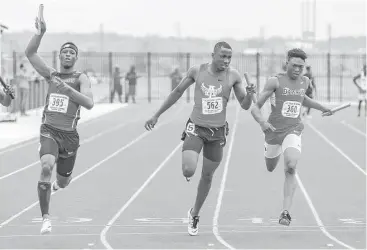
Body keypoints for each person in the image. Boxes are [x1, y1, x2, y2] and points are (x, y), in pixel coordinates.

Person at [144, 41, 256, 236]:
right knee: (188, 169)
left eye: (229, 57)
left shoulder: (234, 76)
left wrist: (250, 94)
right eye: (223, 56)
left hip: (217, 133)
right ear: (213, 55)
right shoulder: (198, 71)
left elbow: (245, 105)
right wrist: (157, 115)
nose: (226, 60)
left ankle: (194, 213)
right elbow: (177, 92)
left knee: (207, 175)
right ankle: (189, 164)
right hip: (196, 128)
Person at [25, 13, 94, 235]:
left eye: (71, 52)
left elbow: (89, 103)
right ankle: (46, 218)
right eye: (64, 51)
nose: (67, 54)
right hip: (49, 131)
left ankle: (57, 185)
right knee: (46, 166)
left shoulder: (81, 78)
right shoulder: (51, 75)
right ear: (60, 57)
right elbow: (30, 53)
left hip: (70, 136)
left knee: (64, 182)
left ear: (75, 58)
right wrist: (40, 32)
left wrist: (69, 90)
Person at [250, 48, 333, 226]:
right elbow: (255, 107)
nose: (297, 70)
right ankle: (276, 151)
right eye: (294, 65)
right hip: (273, 132)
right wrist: (263, 123)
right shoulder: (275, 82)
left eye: (301, 67)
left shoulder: (305, 81)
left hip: (293, 129)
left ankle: (285, 212)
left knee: (291, 166)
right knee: (270, 167)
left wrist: (322, 107)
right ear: (287, 62)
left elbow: (302, 99)